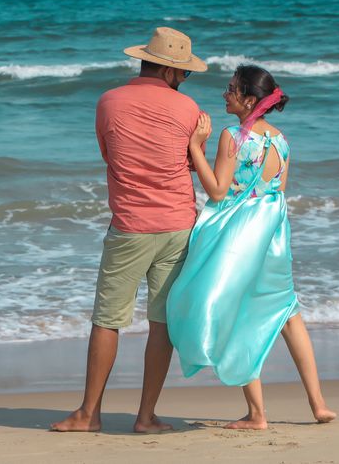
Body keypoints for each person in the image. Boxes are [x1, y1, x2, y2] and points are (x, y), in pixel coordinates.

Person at [50, 27, 209, 434]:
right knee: (162, 323)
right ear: (172, 71)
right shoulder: (188, 110)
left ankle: (89, 413)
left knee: (107, 319)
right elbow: (193, 164)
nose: (184, 81)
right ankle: (145, 417)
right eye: (184, 74)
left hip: (130, 225)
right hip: (178, 222)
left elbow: (109, 154)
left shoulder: (109, 101)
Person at [165, 64, 337, 429]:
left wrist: (195, 146)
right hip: (273, 235)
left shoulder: (233, 136)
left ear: (247, 100)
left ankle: (257, 414)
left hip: (238, 236)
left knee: (235, 313)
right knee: (288, 312)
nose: (224, 94)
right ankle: (318, 404)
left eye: (231, 89)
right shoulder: (281, 139)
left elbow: (216, 190)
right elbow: (278, 192)